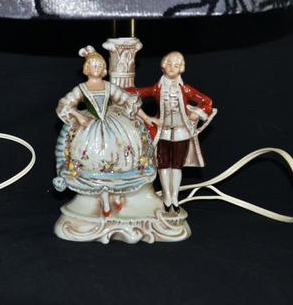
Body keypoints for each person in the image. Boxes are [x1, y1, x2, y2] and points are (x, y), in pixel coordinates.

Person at [53, 47, 157, 217]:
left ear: (104, 69)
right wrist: (78, 116)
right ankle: (104, 201)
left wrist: (146, 118)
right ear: (87, 68)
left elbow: (127, 100)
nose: (96, 68)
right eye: (93, 65)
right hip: (90, 128)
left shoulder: (108, 86)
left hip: (114, 124)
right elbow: (64, 104)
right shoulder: (81, 88)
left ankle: (119, 194)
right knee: (94, 159)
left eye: (100, 66)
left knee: (122, 154)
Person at [127, 51, 215, 213]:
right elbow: (137, 93)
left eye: (176, 65)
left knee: (176, 166)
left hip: (182, 133)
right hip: (163, 133)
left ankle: (175, 197)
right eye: (169, 64)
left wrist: (197, 113)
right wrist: (122, 93)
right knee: (163, 165)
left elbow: (207, 101)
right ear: (163, 66)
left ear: (181, 68)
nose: (172, 68)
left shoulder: (185, 89)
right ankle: (166, 196)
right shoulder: (157, 89)